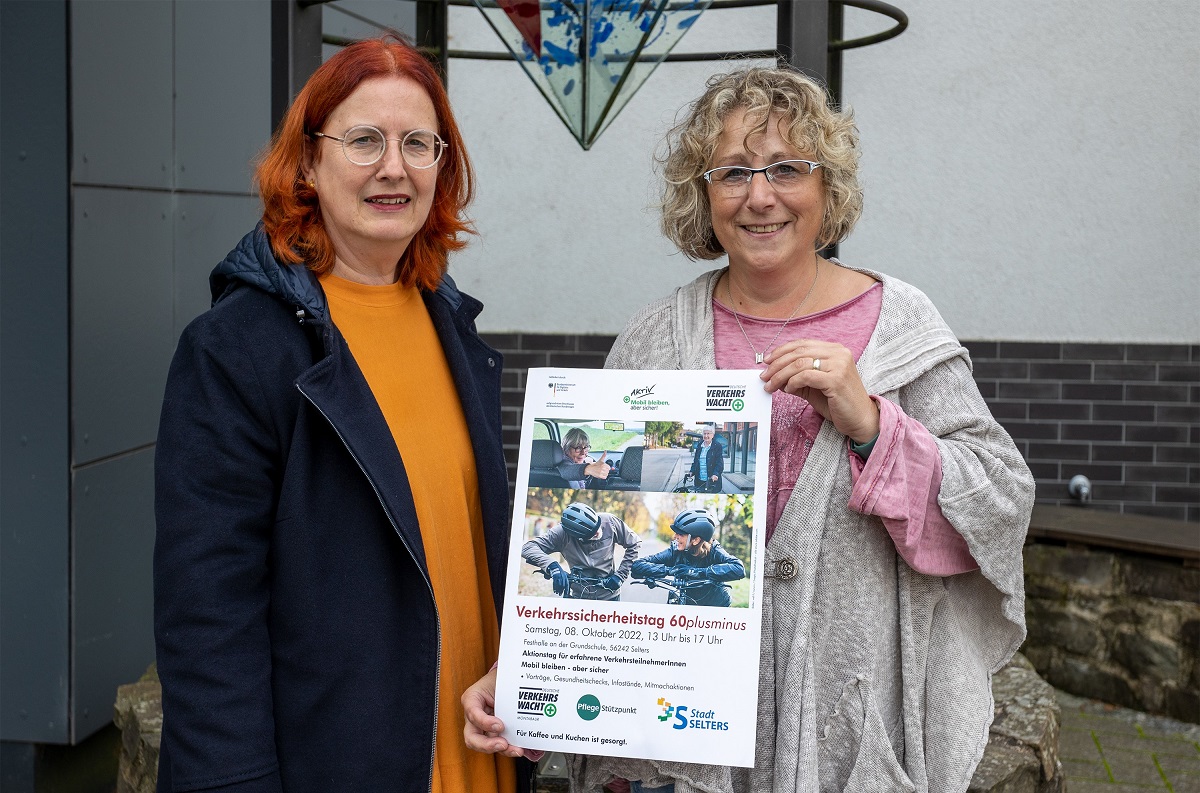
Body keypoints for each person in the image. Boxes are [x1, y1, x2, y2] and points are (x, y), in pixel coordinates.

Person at [465, 65, 1033, 792]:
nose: (760, 196)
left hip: (842, 740)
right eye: (733, 172)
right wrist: (522, 668)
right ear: (702, 195)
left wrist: (874, 428)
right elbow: (592, 524)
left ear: (827, 188)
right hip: (668, 754)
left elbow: (1000, 499)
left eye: (786, 169)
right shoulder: (655, 338)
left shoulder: (900, 325)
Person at [154, 36, 518, 793]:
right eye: (363, 140)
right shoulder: (235, 351)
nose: (394, 167)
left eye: (419, 143)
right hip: (340, 763)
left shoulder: (454, 328)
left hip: (479, 753)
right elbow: (208, 618)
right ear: (307, 166)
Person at [522, 502, 641, 601]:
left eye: (598, 527)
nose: (598, 532)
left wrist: (620, 576)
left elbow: (634, 543)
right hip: (579, 597)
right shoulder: (561, 534)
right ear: (577, 537)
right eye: (592, 535)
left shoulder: (609, 521)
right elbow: (528, 547)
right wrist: (552, 567)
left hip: (610, 595)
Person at [631, 508, 745, 607]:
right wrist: (669, 570)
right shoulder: (675, 551)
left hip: (716, 605)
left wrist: (699, 572)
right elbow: (638, 565)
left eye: (680, 534)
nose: (675, 537)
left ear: (696, 540)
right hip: (687, 602)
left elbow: (738, 568)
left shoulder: (714, 550)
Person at [689, 425, 724, 492]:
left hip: (711, 479)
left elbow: (719, 463)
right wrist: (692, 471)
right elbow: (696, 461)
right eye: (704, 433)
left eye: (708, 433)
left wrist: (715, 474)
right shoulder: (700, 445)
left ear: (712, 435)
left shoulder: (717, 446)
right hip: (699, 479)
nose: (706, 435)